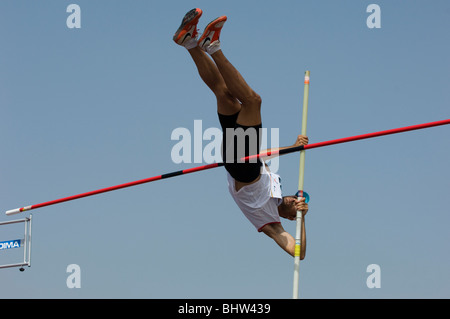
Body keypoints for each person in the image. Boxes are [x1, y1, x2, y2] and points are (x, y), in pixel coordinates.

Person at [173, 9, 310, 258]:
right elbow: (264, 157)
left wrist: (303, 219)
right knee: (224, 94)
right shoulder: (275, 187)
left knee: (253, 102)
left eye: (296, 208)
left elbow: (298, 252)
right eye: (297, 199)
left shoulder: (271, 223)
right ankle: (189, 42)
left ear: (290, 218)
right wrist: (293, 146)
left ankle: (212, 46)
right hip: (244, 162)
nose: (294, 201)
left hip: (242, 170)